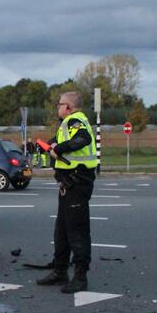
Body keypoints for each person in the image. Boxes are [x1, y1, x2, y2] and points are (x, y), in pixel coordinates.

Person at [37, 91, 98, 293]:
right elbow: (56, 142)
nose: (57, 107)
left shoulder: (76, 121)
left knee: (77, 232)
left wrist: (59, 148)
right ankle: (60, 271)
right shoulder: (67, 124)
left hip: (77, 184)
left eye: (60, 104)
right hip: (68, 185)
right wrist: (43, 145)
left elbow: (83, 139)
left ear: (69, 107)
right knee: (61, 231)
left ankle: (81, 277)